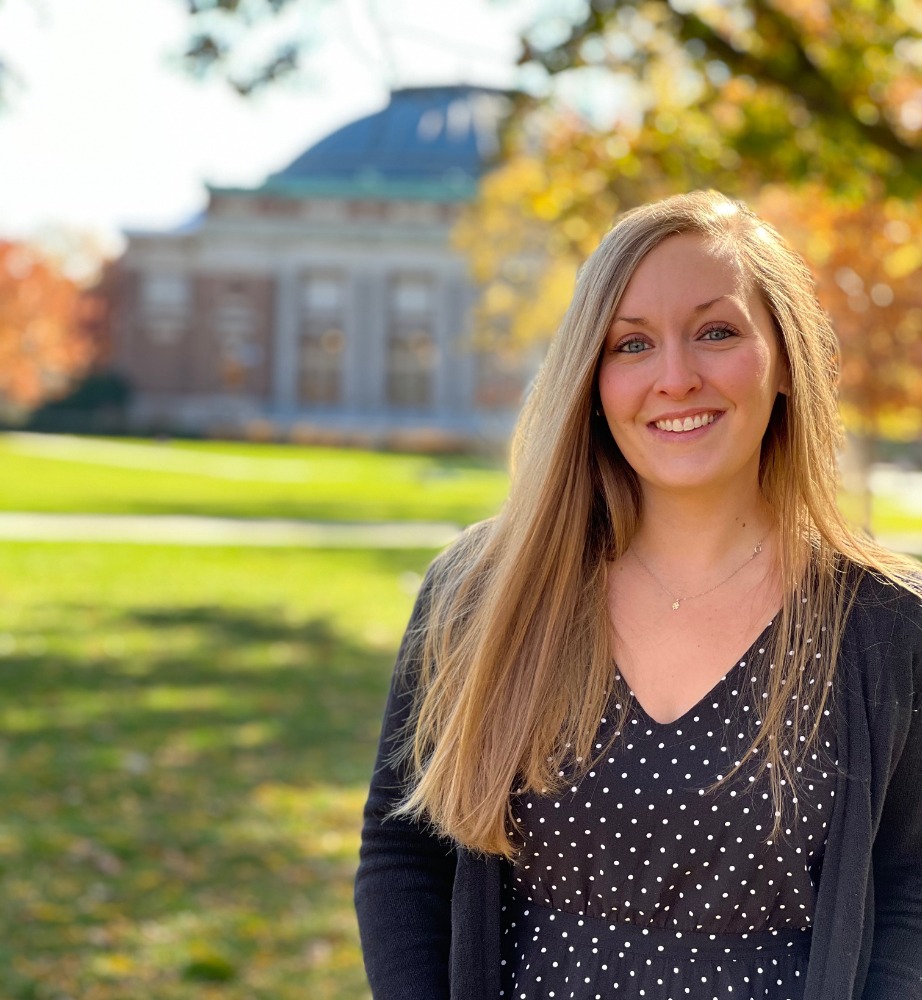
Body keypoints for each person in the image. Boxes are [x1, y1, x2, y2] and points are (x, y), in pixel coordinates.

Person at [354, 190, 922, 1000]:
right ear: (591, 378)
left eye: (716, 332)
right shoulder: (483, 591)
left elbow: (910, 884)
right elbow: (405, 850)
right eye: (631, 345)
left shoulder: (886, 620)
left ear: (787, 359)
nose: (676, 378)